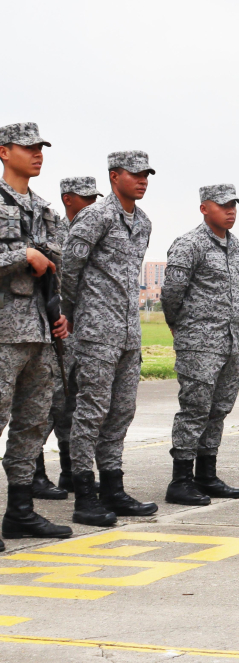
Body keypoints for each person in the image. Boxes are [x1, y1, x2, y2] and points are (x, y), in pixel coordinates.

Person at [62, 150, 158, 527]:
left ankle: (113, 488)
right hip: (95, 331)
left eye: (146, 174)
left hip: (128, 334)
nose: (143, 180)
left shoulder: (144, 222)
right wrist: (72, 312)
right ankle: (84, 493)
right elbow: (71, 267)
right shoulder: (96, 216)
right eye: (135, 174)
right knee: (91, 412)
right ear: (114, 176)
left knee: (121, 412)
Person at [0, 122, 72, 547]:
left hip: (41, 332)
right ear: (4, 151)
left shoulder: (46, 209)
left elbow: (57, 263)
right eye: (28, 147)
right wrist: (22, 254)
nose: (37, 153)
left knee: (31, 425)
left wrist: (58, 313)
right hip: (3, 332)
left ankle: (20, 512)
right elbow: (33, 258)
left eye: (40, 147)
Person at [161, 184, 239, 505]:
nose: (231, 210)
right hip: (198, 343)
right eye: (223, 205)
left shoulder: (235, 246)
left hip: (229, 343)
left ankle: (206, 475)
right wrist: (183, 329)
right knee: (195, 409)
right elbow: (171, 295)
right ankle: (180, 479)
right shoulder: (190, 244)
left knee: (219, 409)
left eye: (234, 205)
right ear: (204, 209)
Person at [31, 175, 102, 499]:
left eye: (95, 198)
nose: (92, 204)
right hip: (55, 330)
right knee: (47, 405)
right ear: (68, 198)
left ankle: (71, 473)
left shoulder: (98, 232)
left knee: (72, 408)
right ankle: (33, 473)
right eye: (86, 198)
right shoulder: (54, 233)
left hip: (83, 331)